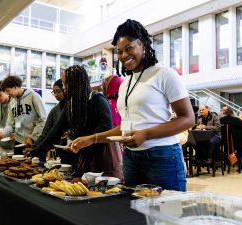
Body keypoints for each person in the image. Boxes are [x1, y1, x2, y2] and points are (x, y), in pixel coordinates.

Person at [70, 19, 194, 191]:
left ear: (142, 44)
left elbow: (188, 119)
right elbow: (126, 128)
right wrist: (92, 139)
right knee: (134, 214)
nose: (123, 56)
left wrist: (145, 134)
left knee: (168, 212)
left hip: (162, 155)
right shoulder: (125, 83)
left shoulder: (164, 74)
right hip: (131, 158)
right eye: (119, 52)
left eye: (129, 48)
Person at [29, 65, 122, 177]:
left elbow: (106, 127)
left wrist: (85, 140)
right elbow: (55, 131)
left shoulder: (97, 99)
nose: (63, 87)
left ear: (76, 83)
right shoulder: (71, 104)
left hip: (103, 155)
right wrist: (35, 151)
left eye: (65, 84)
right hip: (84, 156)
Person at [31, 79, 77, 168]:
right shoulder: (54, 111)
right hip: (63, 151)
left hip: (77, 150)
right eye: (54, 92)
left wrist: (70, 133)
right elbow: (46, 133)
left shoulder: (76, 106)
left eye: (58, 91)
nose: (56, 95)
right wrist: (34, 148)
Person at [0, 75, 47, 154]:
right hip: (18, 141)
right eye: (6, 91)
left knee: (35, 165)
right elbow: (10, 124)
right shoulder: (12, 103)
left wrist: (32, 137)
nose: (8, 94)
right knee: (17, 165)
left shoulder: (33, 96)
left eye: (8, 90)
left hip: (35, 141)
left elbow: (43, 119)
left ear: (15, 87)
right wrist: (3, 133)